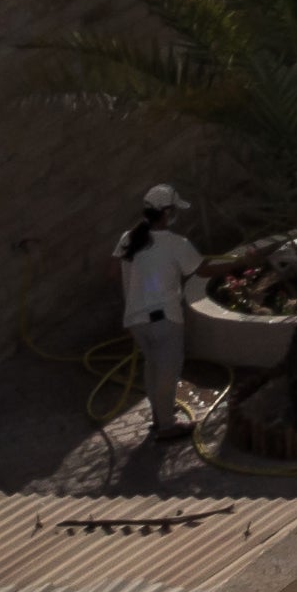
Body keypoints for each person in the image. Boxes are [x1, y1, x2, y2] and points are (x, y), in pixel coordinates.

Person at [114, 183, 207, 458]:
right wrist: (243, 261)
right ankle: (166, 425)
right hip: (165, 318)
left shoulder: (127, 239)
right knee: (167, 370)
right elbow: (205, 269)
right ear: (167, 213)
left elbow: (112, 270)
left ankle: (159, 415)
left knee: (152, 366)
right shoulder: (177, 244)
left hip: (136, 320)